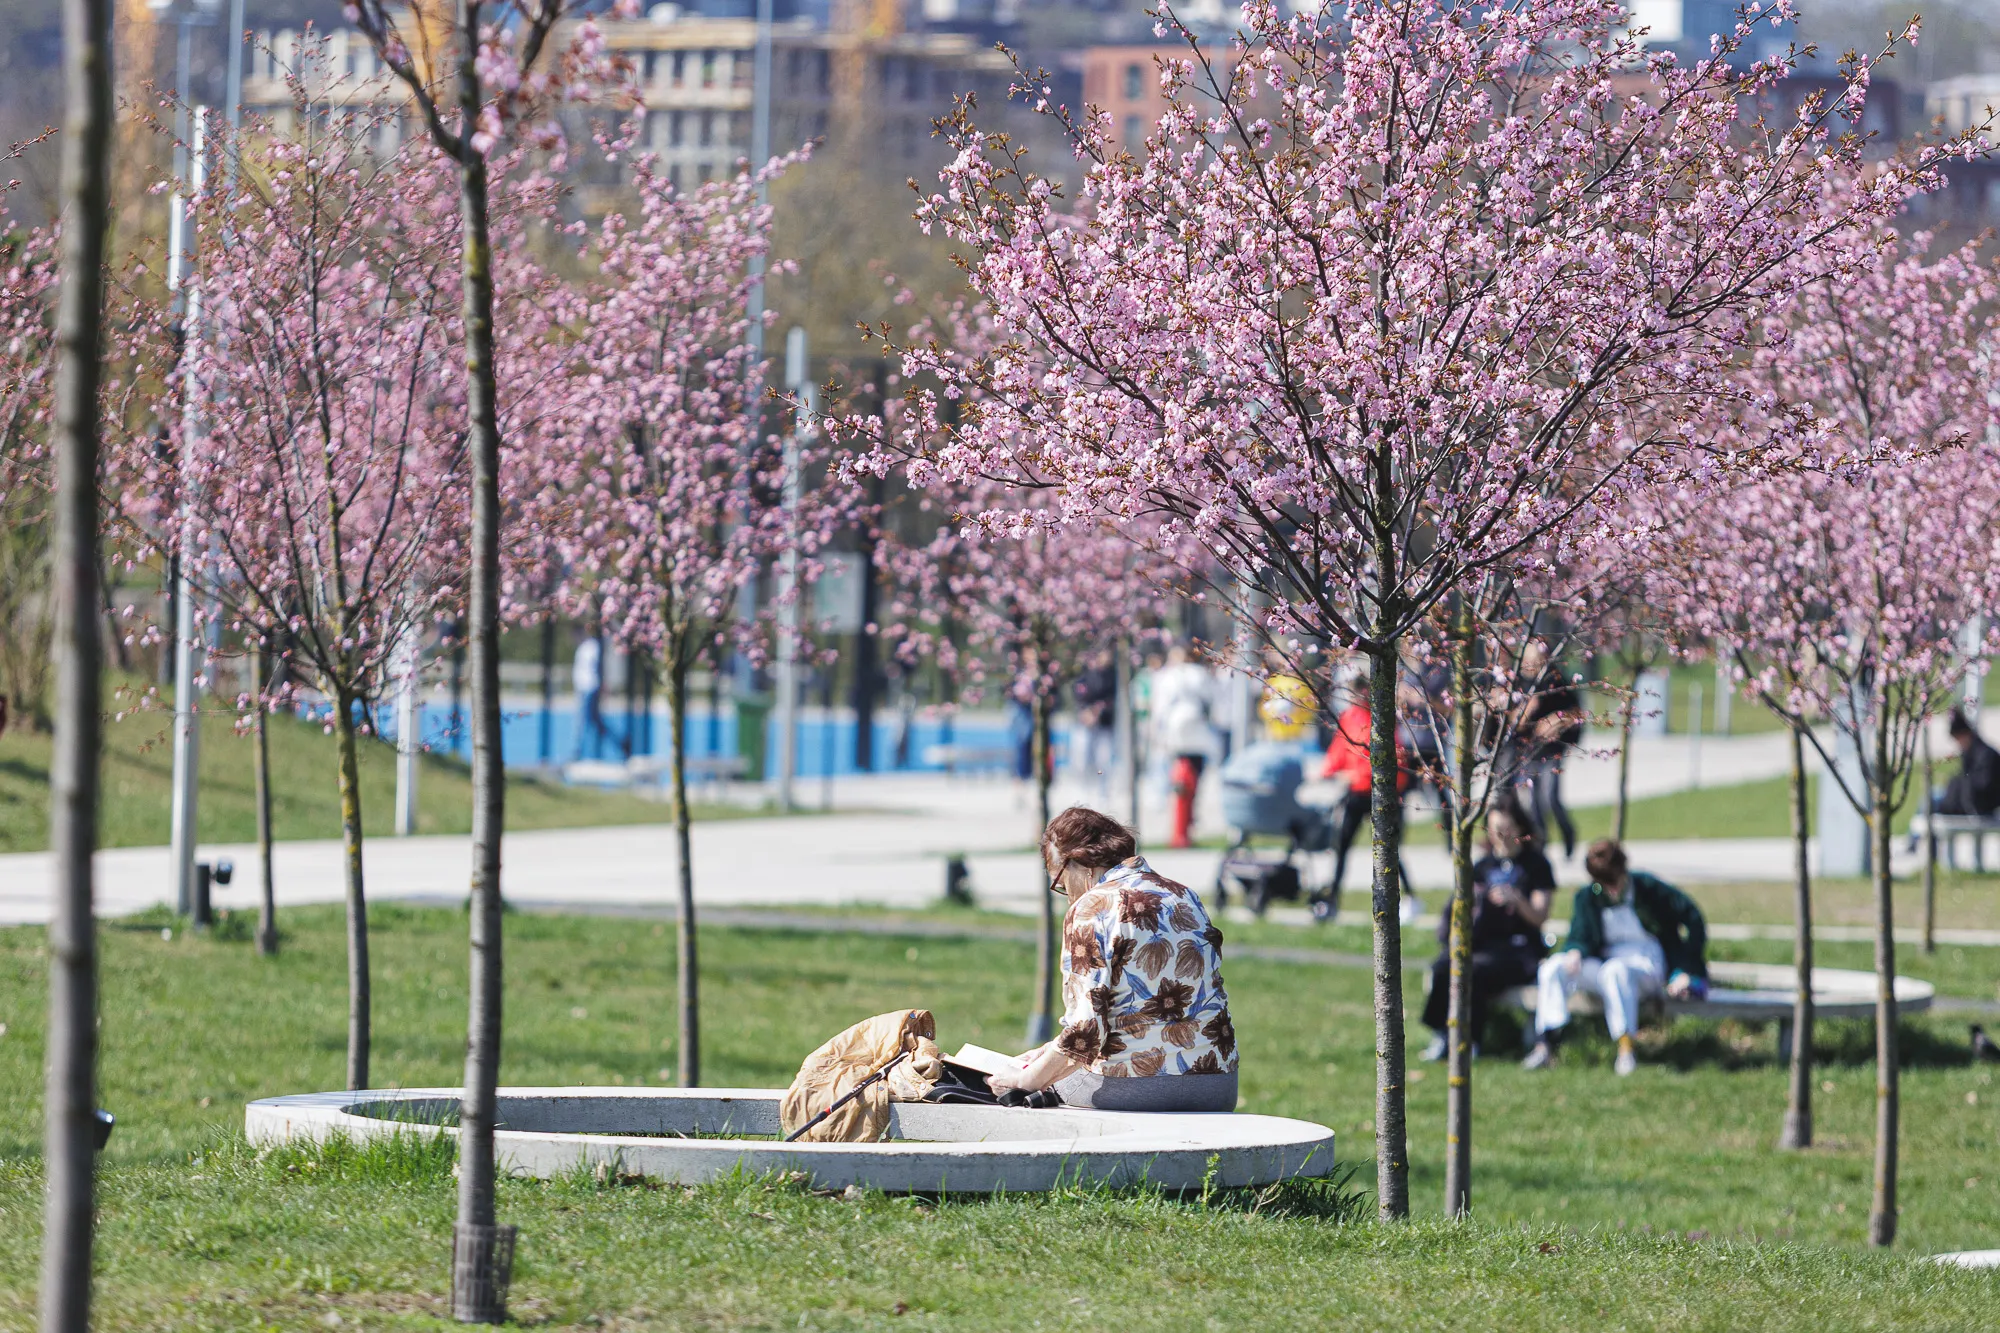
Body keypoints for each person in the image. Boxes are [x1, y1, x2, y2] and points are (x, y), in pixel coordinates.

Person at [986, 806, 1238, 1111]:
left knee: (1006, 1091)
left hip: (1134, 1085)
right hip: (1216, 1082)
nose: (1068, 896)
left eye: (1062, 884)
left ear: (1081, 864)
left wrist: (1024, 1080)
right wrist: (1046, 1052)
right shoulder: (1184, 895)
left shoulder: (1094, 907)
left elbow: (1086, 1033)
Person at [1524, 839, 1708, 1076]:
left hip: (1645, 963)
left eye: (1614, 881)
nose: (1611, 889)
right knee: (1552, 967)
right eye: (1603, 883)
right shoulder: (1588, 897)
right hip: (1603, 961)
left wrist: (1685, 968)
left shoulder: (1648, 888)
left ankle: (1625, 1049)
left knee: (1616, 971)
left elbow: (1693, 917)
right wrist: (1575, 952)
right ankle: (1546, 1043)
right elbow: (1580, 935)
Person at [1418, 796, 1553, 1061]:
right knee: (1443, 966)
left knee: (1474, 971)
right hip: (1484, 942)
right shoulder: (1482, 866)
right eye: (1495, 829)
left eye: (1507, 829)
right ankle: (1442, 1033)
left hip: (1519, 948)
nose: (1501, 836)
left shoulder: (1536, 864)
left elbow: (1540, 917)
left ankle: (1471, 1041)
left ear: (1520, 828)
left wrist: (1517, 899)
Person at [1318, 667, 1415, 919]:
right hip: (1355, 794)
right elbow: (1336, 756)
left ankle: (1411, 897)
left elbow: (1396, 760)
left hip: (1379, 795)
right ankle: (1331, 899)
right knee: (1342, 847)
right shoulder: (1348, 718)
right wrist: (1330, 772)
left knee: (1388, 848)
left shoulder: (1381, 719)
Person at [1514, 643, 1584, 860]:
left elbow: (1577, 713)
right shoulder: (1520, 684)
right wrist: (1528, 710)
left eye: (1540, 657)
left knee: (1550, 796)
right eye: (1532, 658)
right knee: (1534, 802)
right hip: (1530, 751)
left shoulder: (1557, 681)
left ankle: (1568, 835)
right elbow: (1513, 724)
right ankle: (1540, 844)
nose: (1536, 663)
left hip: (1553, 750)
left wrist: (1556, 719)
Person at [1151, 645, 1218, 848]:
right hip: (1197, 728)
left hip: (1176, 730)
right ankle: (1187, 825)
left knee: (1180, 779)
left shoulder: (1167, 675)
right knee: (1192, 779)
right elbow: (1212, 701)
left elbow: (1159, 707)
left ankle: (1182, 828)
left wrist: (1157, 732)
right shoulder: (1200, 674)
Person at [1932, 708, 2000, 817]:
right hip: (1966, 801)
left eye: (1958, 739)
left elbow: (1983, 784)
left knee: (1931, 801)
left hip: (1979, 804)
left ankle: (1919, 834)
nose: (1958, 744)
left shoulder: (1985, 754)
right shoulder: (1970, 753)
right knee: (1932, 795)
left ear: (1965, 734)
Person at [1073, 649, 1119, 801]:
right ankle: (1085, 788)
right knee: (1083, 758)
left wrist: (1098, 711)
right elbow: (1079, 697)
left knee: (1103, 759)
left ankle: (1103, 791)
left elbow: (1112, 700)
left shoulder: (1113, 676)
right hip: (1085, 725)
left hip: (1104, 724)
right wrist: (1086, 713)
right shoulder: (1084, 676)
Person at [571, 627, 604, 761]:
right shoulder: (584, 647)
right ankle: (579, 750)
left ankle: (577, 751)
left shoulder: (592, 647)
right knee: (592, 720)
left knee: (584, 721)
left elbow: (597, 667)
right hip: (583, 688)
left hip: (589, 688)